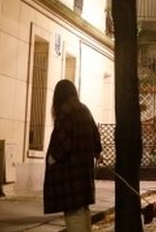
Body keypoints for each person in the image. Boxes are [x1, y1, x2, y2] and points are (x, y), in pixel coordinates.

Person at [43, 79, 102, 232]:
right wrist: (97, 152)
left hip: (69, 175)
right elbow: (96, 137)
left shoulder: (66, 112)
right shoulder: (84, 109)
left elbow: (61, 143)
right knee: (83, 212)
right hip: (84, 173)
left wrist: (52, 159)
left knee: (73, 214)